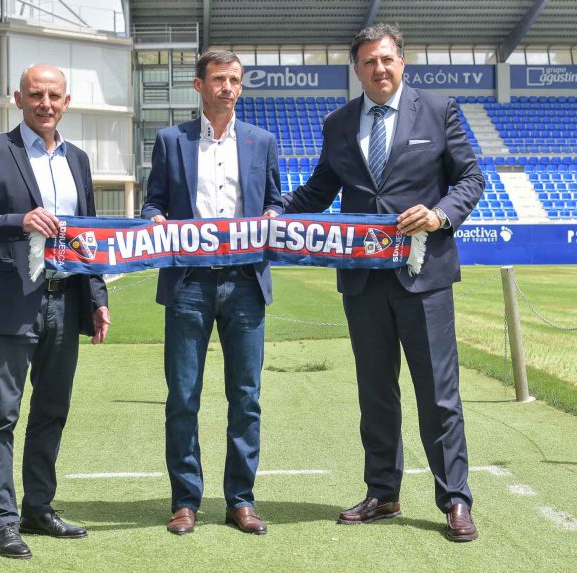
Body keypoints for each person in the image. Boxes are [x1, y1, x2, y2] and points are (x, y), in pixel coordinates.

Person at [282, 24, 484, 542]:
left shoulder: (439, 110)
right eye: (369, 62)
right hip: (363, 282)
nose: (380, 69)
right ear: (358, 69)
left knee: (438, 394)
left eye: (387, 59)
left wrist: (439, 215)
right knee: (375, 392)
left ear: (402, 61)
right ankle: (383, 492)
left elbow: (471, 180)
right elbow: (318, 190)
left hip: (425, 277)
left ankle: (454, 498)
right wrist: (268, 214)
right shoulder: (339, 122)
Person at [0, 64, 110, 559]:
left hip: (65, 300)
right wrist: (18, 221)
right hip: (11, 303)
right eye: (36, 94)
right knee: (0, 415)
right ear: (17, 99)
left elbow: (85, 236)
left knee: (51, 412)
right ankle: (1, 521)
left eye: (54, 95)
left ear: (67, 102)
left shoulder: (79, 160)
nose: (46, 103)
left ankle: (38, 508)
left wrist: (98, 297)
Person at [140, 50, 283, 536]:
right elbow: (154, 200)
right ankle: (185, 501)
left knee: (246, 397)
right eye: (219, 79)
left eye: (235, 80)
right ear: (199, 85)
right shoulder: (170, 139)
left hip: (245, 282)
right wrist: (155, 218)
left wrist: (273, 218)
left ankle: (240, 500)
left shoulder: (262, 140)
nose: (228, 87)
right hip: (188, 283)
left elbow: (276, 201)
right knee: (183, 397)